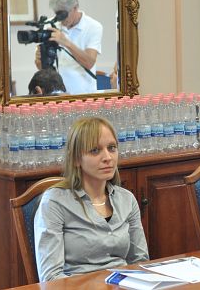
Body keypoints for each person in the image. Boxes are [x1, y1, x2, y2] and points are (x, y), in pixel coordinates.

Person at [34, 117, 148, 282]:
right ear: (76, 159)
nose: (107, 157)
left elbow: (140, 262)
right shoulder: (54, 202)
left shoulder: (127, 199)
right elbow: (51, 278)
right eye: (95, 150)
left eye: (112, 148)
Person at [35, 0, 103, 94]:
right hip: (56, 94)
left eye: (63, 14)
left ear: (75, 7)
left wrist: (66, 43)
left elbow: (89, 63)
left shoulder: (93, 27)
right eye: (57, 14)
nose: (60, 19)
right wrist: (39, 59)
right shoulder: (49, 25)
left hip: (83, 94)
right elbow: (42, 68)